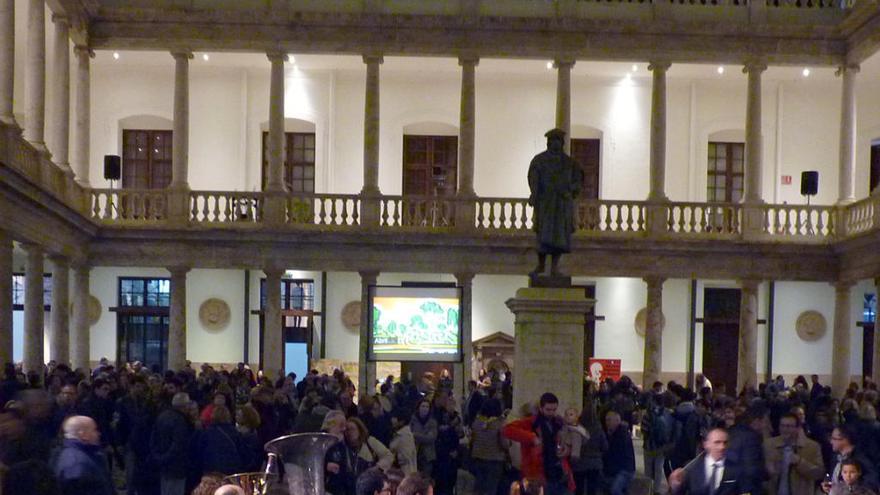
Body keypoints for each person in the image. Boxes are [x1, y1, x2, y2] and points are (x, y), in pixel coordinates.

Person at [527, 128, 583, 277]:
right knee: (543, 235)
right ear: (548, 143)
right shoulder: (539, 161)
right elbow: (533, 177)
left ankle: (555, 267)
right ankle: (540, 265)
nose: (555, 144)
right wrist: (534, 193)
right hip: (546, 203)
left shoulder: (570, 163)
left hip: (561, 205)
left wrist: (570, 190)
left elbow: (578, 181)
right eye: (553, 141)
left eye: (558, 141)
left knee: (559, 238)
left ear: (562, 143)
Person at [502, 392, 574, 495]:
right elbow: (507, 430)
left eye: (554, 410)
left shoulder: (559, 422)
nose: (551, 413)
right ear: (541, 408)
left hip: (559, 473)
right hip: (537, 475)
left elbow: (568, 441)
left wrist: (566, 449)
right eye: (548, 410)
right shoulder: (531, 422)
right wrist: (531, 437)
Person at [763, 412, 824, 495]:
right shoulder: (769, 445)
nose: (784, 429)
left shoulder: (812, 446)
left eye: (788, 426)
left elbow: (819, 473)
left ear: (798, 428)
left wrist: (799, 462)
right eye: (782, 426)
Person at [52, 415, 115, 495]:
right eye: (94, 430)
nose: (98, 434)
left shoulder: (81, 455)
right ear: (83, 434)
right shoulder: (77, 464)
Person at [669, 427, 743, 495]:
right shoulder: (691, 468)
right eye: (717, 442)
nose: (722, 447)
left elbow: (745, 491)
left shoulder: (736, 469)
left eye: (725, 443)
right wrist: (676, 487)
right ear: (706, 444)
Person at [150, 392, 195, 495]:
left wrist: (158, 456)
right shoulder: (180, 421)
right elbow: (178, 444)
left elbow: (153, 438)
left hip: (162, 462)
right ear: (184, 405)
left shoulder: (162, 416)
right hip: (176, 465)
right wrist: (167, 457)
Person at [469, 398, 507, 495]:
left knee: (478, 488)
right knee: (491, 489)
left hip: (478, 458)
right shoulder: (499, 424)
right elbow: (503, 443)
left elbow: (472, 440)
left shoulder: (477, 422)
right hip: (494, 460)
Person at [602, 410, 635, 495]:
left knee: (615, 490)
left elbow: (614, 451)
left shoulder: (622, 434)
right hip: (615, 469)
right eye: (606, 420)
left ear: (617, 421)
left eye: (609, 420)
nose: (607, 423)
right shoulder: (610, 433)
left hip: (625, 469)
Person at [389, 409, 418, 475]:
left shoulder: (406, 436)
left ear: (402, 421)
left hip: (405, 473)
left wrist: (393, 457)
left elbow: (406, 456)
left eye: (395, 418)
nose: (392, 420)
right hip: (399, 472)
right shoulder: (398, 434)